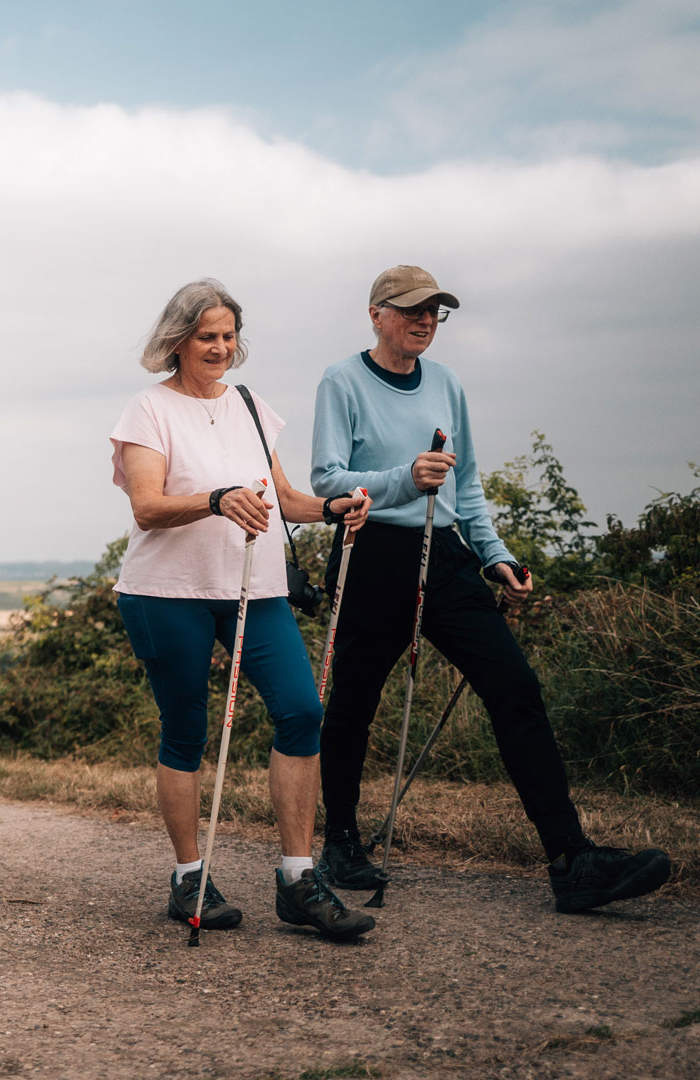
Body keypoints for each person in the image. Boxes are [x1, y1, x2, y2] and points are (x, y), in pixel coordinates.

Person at [310, 265, 671, 912]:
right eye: (413, 309)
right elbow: (329, 482)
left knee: (515, 688)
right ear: (377, 313)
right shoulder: (342, 381)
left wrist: (496, 556)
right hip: (371, 553)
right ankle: (340, 841)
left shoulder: (447, 383)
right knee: (353, 706)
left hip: (444, 553)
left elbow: (467, 483)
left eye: (435, 312)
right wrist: (402, 478)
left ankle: (572, 860)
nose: (426, 320)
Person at [110, 278, 376, 942]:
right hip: (166, 593)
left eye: (229, 336)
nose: (221, 348)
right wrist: (215, 498)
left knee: (301, 711)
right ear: (178, 341)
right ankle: (188, 876)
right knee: (186, 731)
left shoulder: (251, 406)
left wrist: (335, 508)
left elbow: (283, 497)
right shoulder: (149, 410)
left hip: (254, 588)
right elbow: (146, 506)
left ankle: (298, 879)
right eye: (207, 336)